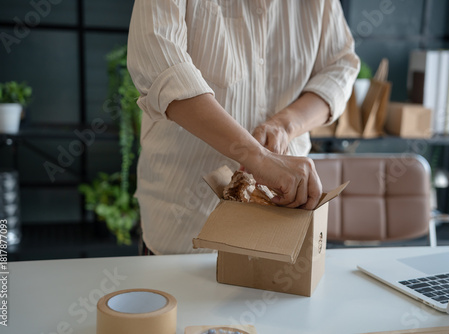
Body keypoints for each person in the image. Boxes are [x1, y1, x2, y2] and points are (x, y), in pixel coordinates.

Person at [127, 0, 359, 255]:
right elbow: (160, 62)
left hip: (279, 227)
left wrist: (284, 125)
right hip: (182, 224)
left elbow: (341, 67)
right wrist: (259, 157)